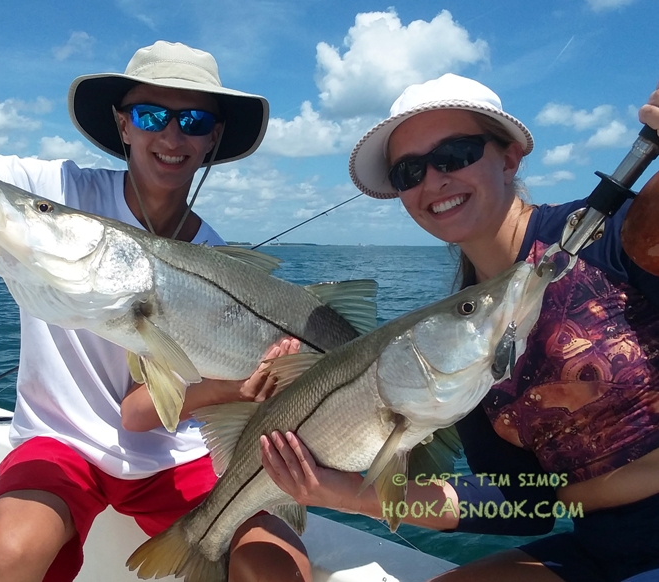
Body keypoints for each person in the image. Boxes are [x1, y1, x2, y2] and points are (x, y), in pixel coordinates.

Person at [0, 41, 312, 582]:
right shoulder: (55, 191)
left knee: (276, 568)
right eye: (151, 115)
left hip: (180, 452)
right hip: (59, 441)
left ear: (213, 138)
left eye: (193, 119)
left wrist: (248, 385)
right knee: (8, 553)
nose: (171, 134)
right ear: (123, 125)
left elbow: (151, 406)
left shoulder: (222, 262)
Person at [260, 73, 659, 581]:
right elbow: (518, 504)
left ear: (510, 157)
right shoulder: (448, 338)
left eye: (455, 154)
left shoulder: (616, 233)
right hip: (599, 550)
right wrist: (346, 496)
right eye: (409, 171)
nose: (434, 180)